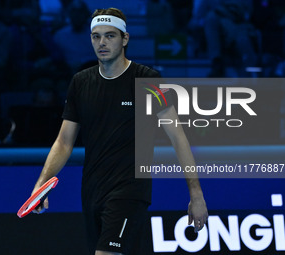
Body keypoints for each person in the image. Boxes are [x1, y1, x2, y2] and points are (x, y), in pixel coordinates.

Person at [30, 7, 208, 255]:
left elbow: (178, 137)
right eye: (96, 36)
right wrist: (42, 185)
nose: (102, 43)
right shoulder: (80, 82)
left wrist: (196, 194)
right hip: (92, 191)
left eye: (110, 36)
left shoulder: (150, 80)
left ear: (125, 39)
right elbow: (63, 142)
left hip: (130, 191)